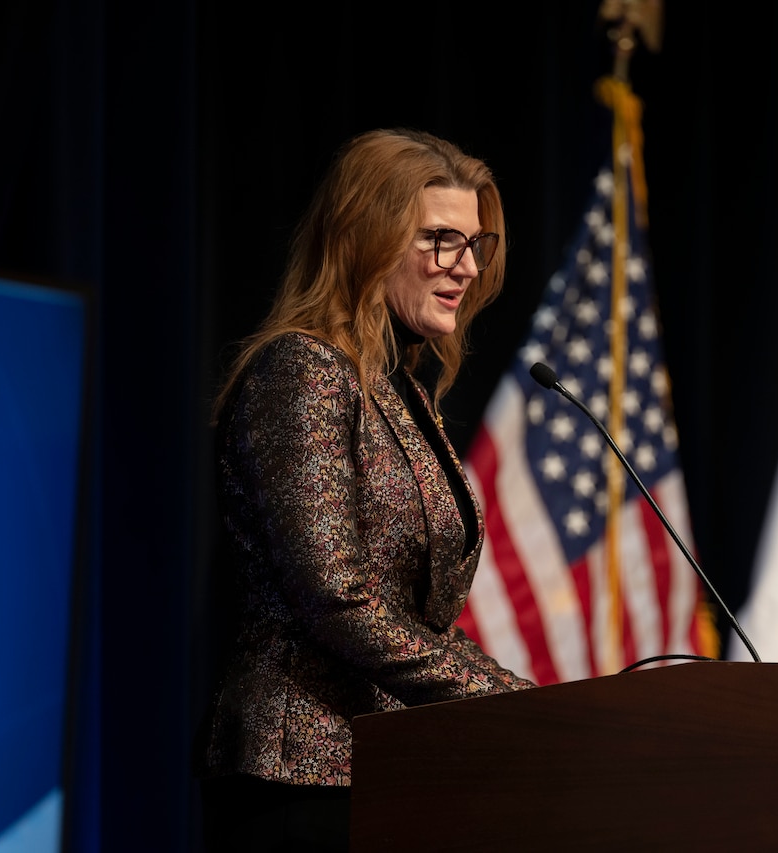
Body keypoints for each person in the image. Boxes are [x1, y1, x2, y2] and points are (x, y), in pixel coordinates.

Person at [194, 128, 537, 852]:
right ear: (365, 238)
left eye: (475, 244)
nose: (466, 267)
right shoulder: (303, 371)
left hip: (387, 773)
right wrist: (497, 700)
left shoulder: (398, 389)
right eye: (441, 240)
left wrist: (528, 701)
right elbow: (334, 594)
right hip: (299, 780)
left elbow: (419, 616)